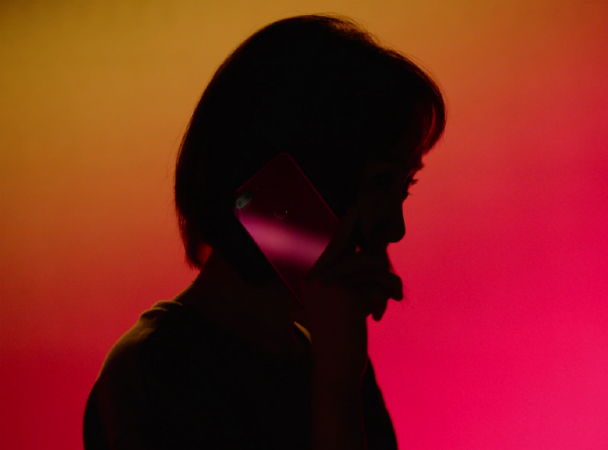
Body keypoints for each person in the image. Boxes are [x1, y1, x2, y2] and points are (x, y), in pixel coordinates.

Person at [82, 14, 446, 450]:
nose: (395, 228)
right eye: (381, 182)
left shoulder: (328, 358)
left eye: (405, 186)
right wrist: (335, 387)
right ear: (293, 182)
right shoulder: (158, 372)